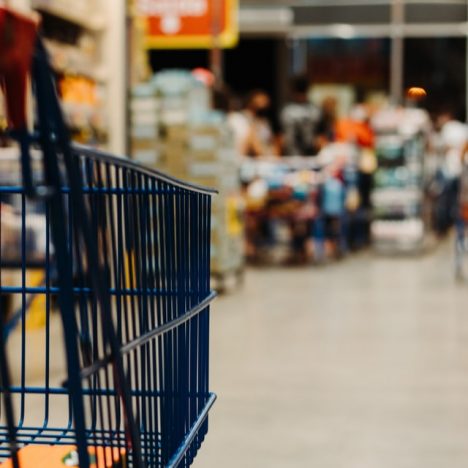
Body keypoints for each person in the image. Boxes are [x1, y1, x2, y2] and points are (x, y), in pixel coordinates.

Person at [228, 89, 278, 157]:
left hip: (267, 158)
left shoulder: (264, 121)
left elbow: (271, 141)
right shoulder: (239, 118)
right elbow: (252, 143)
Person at [280, 75, 321, 156]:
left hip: (311, 154)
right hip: (291, 154)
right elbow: (280, 137)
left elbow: (320, 137)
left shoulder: (315, 110)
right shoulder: (286, 111)